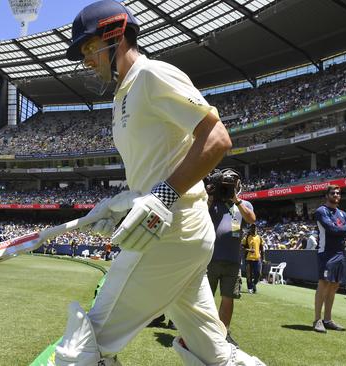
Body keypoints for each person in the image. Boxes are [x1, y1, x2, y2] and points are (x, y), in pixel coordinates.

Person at [52, 2, 265, 365]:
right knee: (213, 354)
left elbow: (216, 139)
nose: (86, 59)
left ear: (114, 34)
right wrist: (120, 203)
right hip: (170, 231)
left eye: (89, 48)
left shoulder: (152, 75)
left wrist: (161, 196)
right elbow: (153, 168)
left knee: (82, 352)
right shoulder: (122, 95)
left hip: (171, 232)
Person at [206, 168, 256, 347]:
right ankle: (202, 331)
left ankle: (223, 332)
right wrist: (211, 195)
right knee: (205, 298)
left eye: (233, 181)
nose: (229, 185)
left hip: (233, 260)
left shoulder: (245, 204)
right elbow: (200, 214)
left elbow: (251, 219)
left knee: (228, 297)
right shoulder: (213, 201)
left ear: (238, 184)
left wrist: (237, 200)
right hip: (209, 258)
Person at [313, 184, 346, 333]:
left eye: (338, 193)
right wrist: (343, 230)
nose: (336, 195)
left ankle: (328, 319)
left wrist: (342, 230)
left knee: (334, 286)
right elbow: (332, 229)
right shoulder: (321, 211)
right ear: (327, 195)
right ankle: (317, 320)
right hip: (326, 253)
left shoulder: (342, 214)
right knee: (323, 285)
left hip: (340, 253)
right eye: (333, 193)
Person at [242, 225, 264, 294]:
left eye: (255, 227)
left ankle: (254, 284)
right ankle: (250, 288)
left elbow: (262, 249)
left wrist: (263, 259)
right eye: (252, 227)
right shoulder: (247, 237)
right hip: (248, 259)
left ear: (256, 228)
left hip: (257, 259)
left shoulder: (259, 237)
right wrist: (249, 250)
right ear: (250, 228)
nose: (254, 228)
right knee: (249, 275)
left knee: (258, 274)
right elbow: (242, 247)